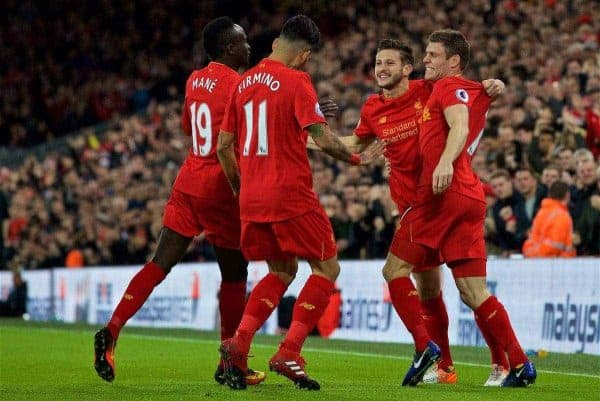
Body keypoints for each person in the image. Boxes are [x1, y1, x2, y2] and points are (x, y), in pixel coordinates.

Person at [311, 39, 507, 385]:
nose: (381, 69)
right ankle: (445, 367)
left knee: (468, 287)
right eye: (377, 63)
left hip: (443, 198)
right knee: (429, 290)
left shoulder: (427, 88)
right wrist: (307, 137)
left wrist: (493, 85)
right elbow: (354, 144)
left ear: (407, 68)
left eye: (389, 63)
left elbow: (464, 93)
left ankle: (499, 362)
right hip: (411, 207)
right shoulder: (372, 107)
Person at [93, 17, 266, 386]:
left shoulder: (193, 80)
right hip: (220, 186)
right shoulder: (239, 84)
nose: (249, 47)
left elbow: (190, 128)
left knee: (159, 263)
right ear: (229, 48)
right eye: (243, 42)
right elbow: (243, 139)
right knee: (234, 274)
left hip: (188, 182)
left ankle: (112, 329)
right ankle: (229, 362)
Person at [216, 15, 381, 391]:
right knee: (326, 269)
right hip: (290, 194)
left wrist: (241, 188)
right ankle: (289, 349)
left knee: (281, 270)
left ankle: (239, 345)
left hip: (253, 198)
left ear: (275, 42)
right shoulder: (297, 80)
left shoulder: (241, 85)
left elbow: (224, 146)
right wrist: (357, 159)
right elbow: (321, 138)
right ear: (305, 55)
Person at [391, 29, 536, 387]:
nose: (426, 60)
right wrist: (494, 85)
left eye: (433, 55)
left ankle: (428, 351)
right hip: (469, 196)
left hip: (443, 193)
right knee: (474, 292)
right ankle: (518, 365)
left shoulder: (447, 88)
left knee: (394, 270)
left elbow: (459, 125)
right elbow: (481, 95)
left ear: (453, 61)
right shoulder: (469, 89)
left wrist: (443, 162)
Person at [523, 181, 575, 257]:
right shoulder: (562, 215)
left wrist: (533, 254)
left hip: (536, 258)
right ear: (567, 195)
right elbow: (555, 245)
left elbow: (533, 238)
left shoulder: (541, 213)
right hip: (556, 263)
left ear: (549, 194)